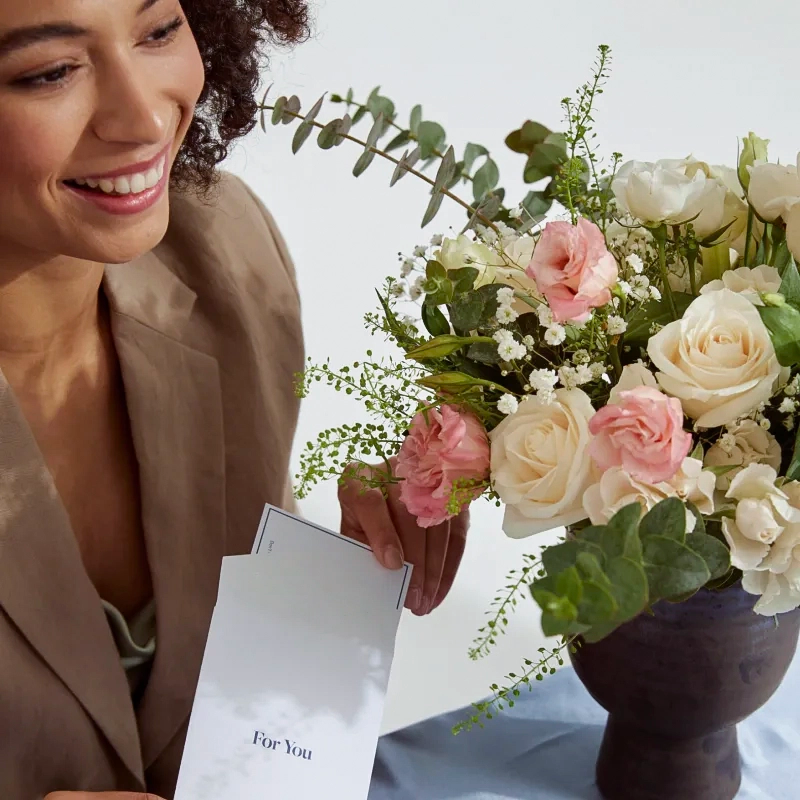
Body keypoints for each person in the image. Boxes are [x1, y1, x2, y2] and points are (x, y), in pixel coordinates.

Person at [0, 1, 469, 798]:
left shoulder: (223, 248)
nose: (144, 115)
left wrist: (327, 573)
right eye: (51, 72)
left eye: (157, 32)